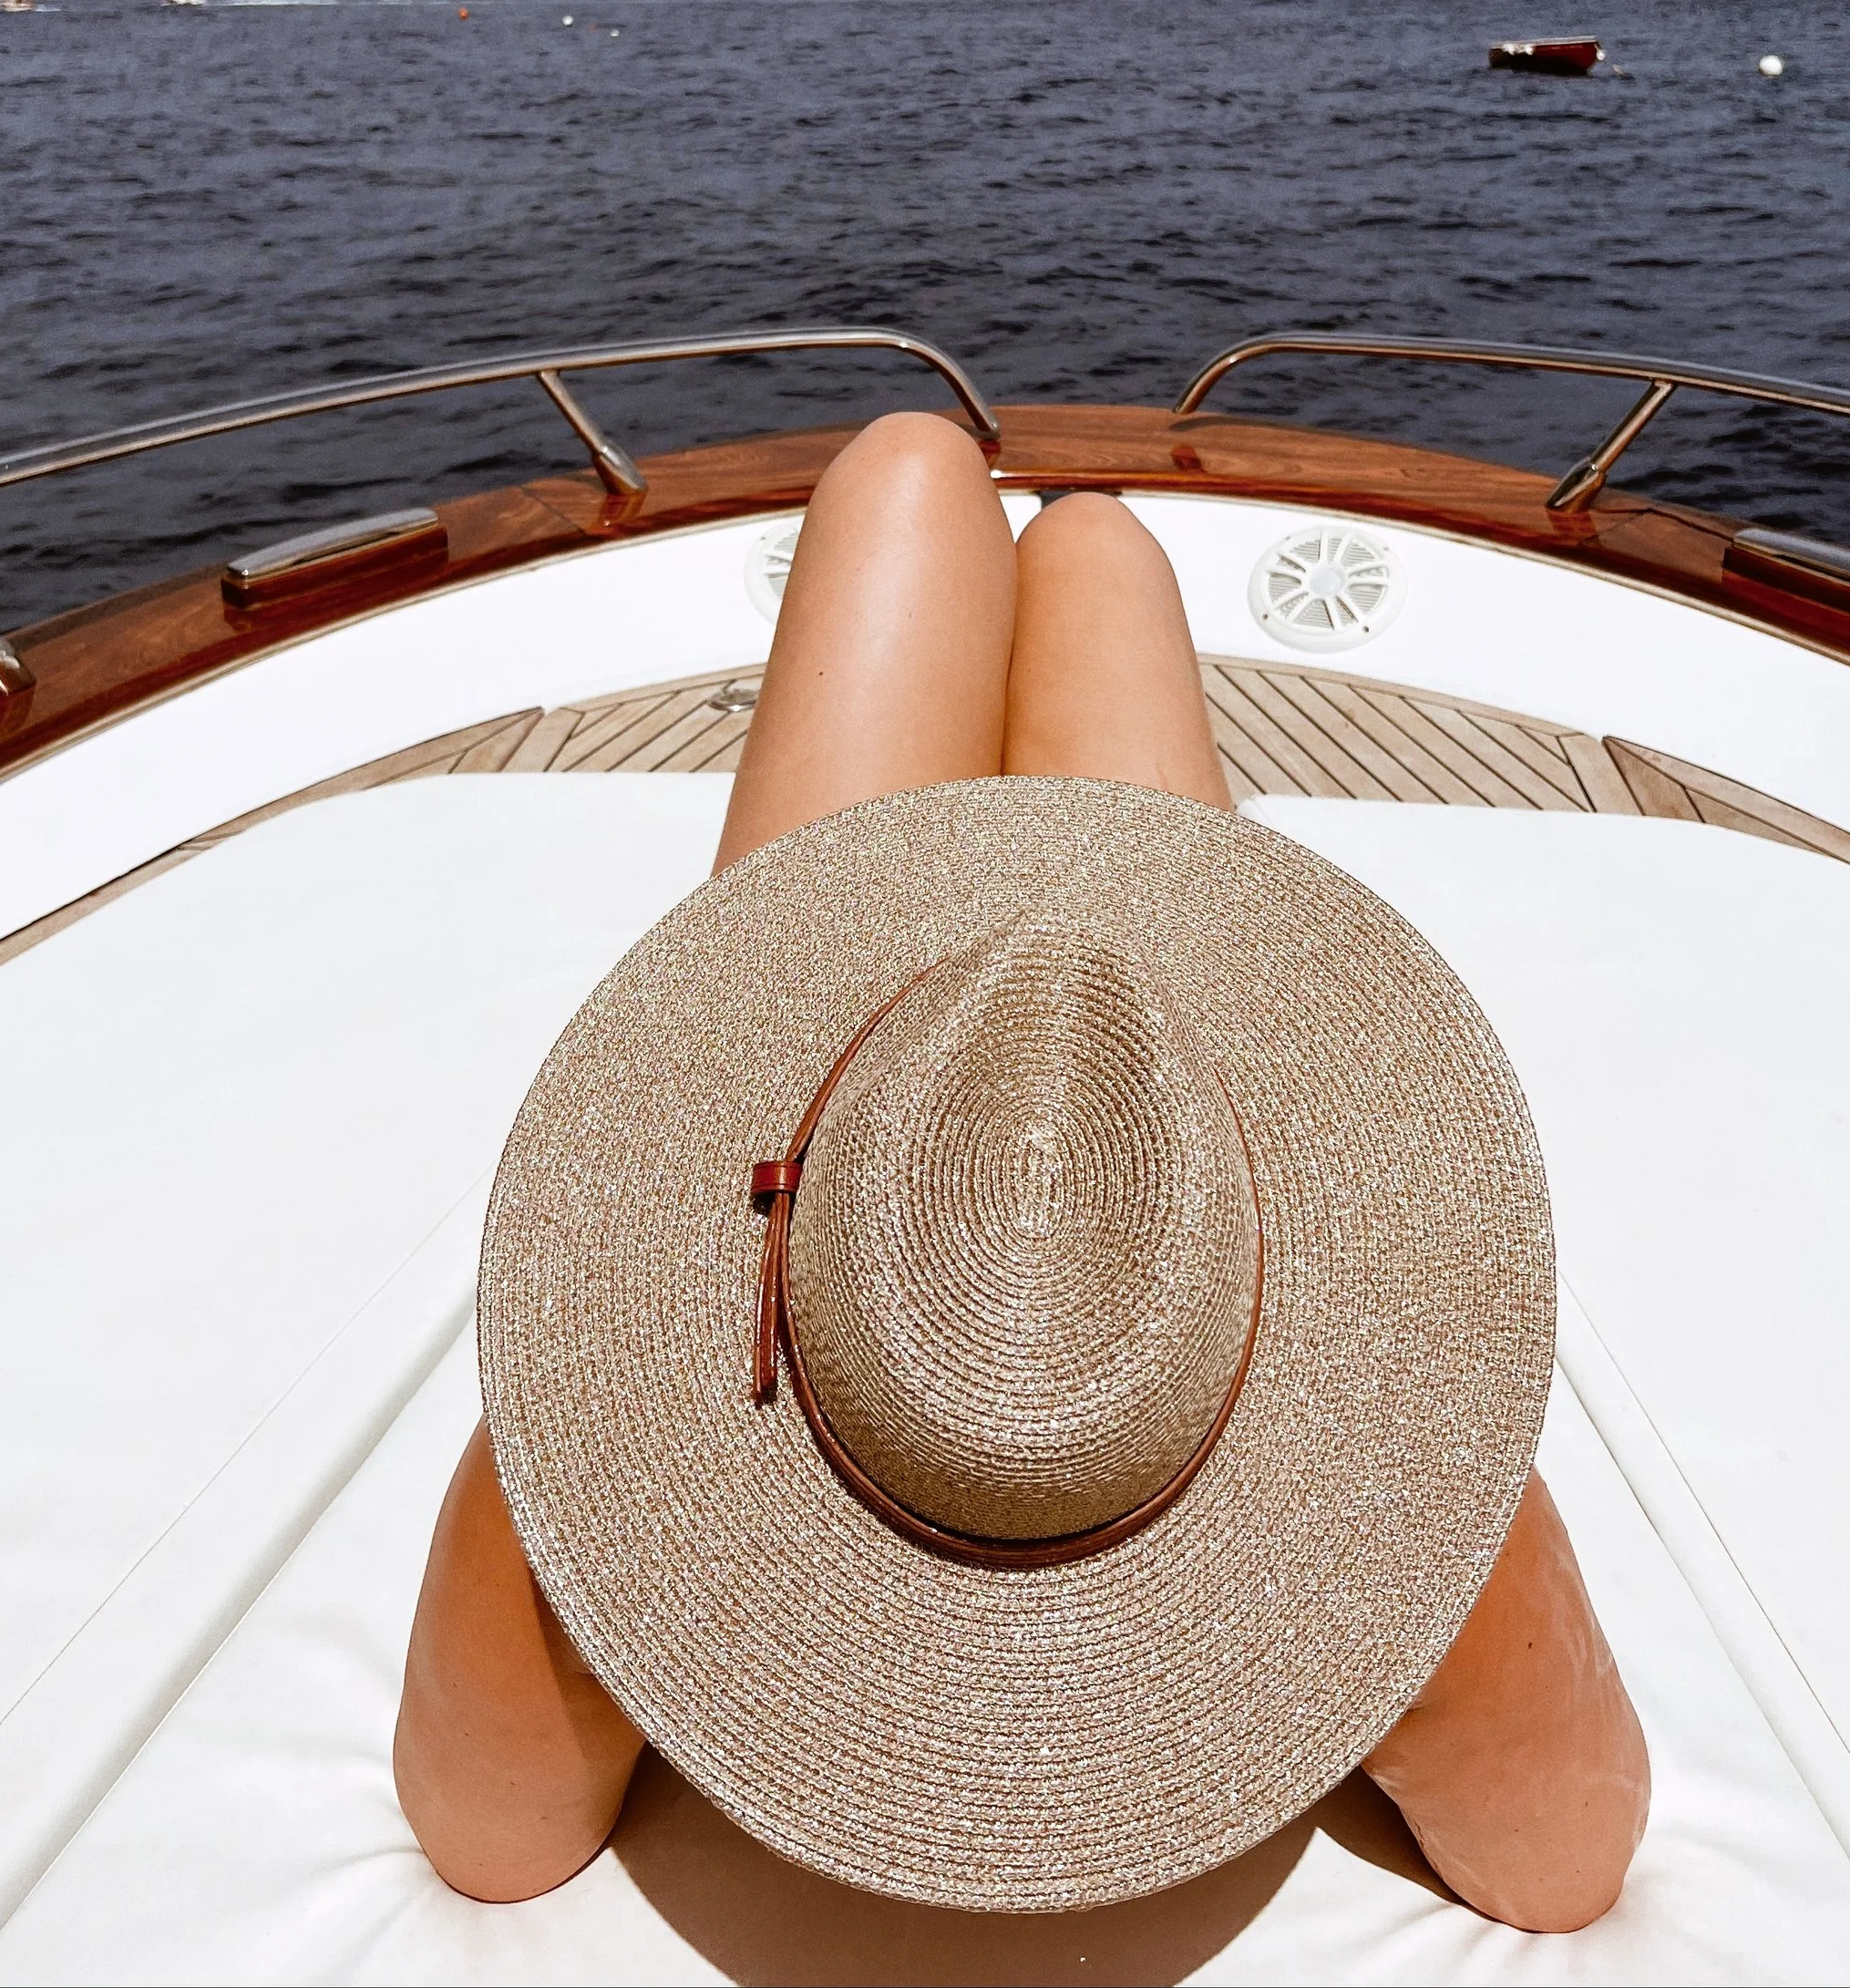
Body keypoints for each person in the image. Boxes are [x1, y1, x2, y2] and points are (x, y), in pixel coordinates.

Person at [396, 413, 1650, 1932]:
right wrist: (1420, 1558)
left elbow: (488, 1842)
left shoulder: (577, 1514)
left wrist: (584, 1479)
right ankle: (1076, 546)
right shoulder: (1430, 1567)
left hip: (893, 1136)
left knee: (912, 474)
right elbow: (1566, 1867)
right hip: (1084, 1111)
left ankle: (1020, 529)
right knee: (1096, 549)